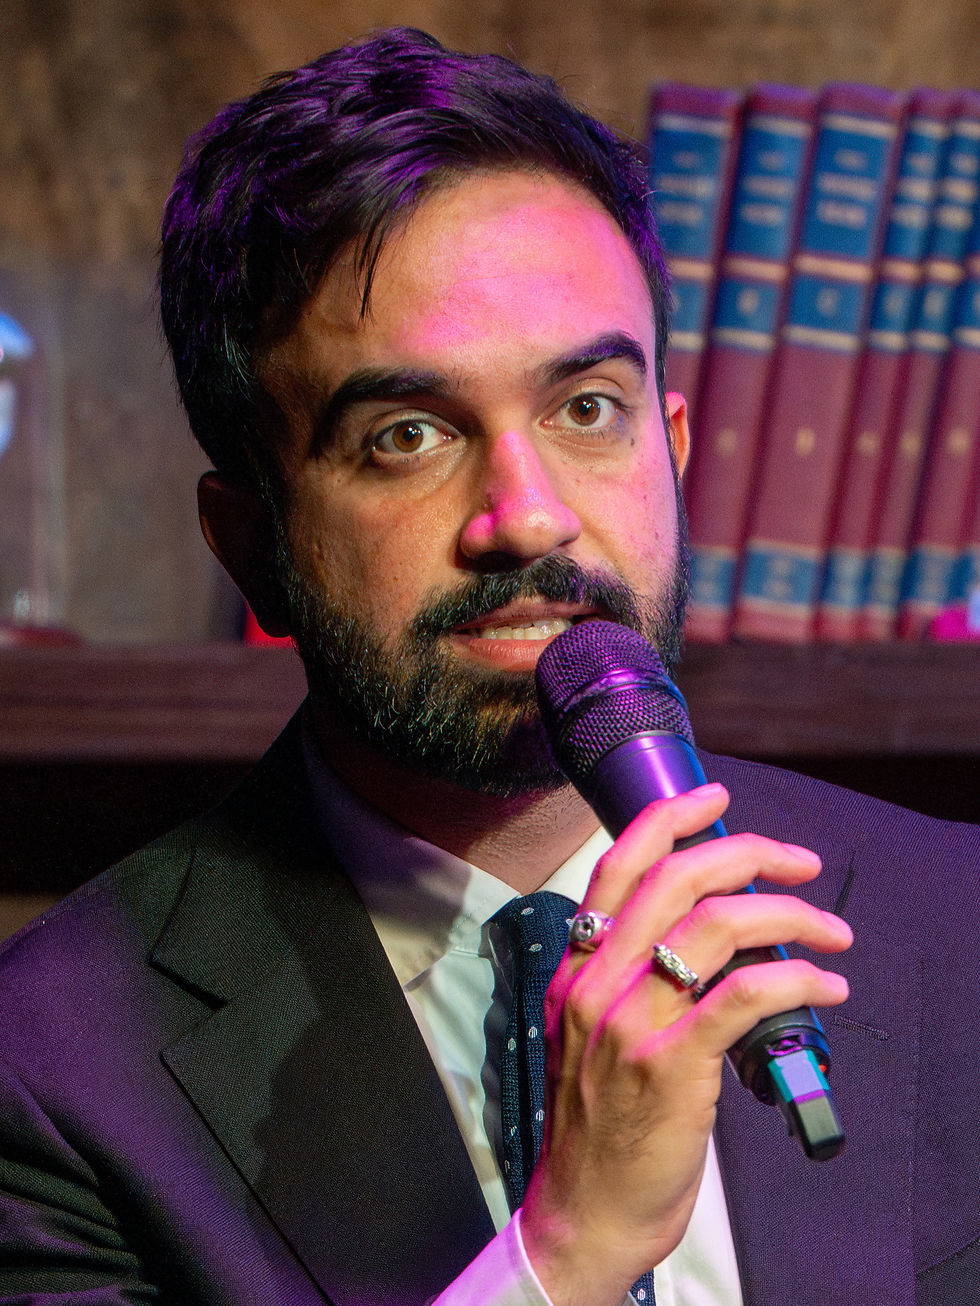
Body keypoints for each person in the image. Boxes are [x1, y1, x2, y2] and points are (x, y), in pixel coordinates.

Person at [1, 27, 978, 1306]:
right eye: (405, 434)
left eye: (585, 409)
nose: (525, 515)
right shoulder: (52, 1068)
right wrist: (556, 1257)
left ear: (672, 449)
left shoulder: (957, 929)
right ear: (249, 542)